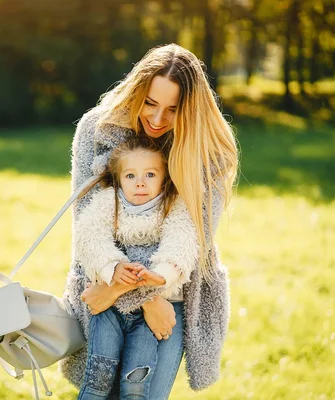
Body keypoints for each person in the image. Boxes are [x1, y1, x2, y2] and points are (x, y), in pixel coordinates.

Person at [59, 43, 239, 399]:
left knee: (142, 394)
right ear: (138, 90)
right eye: (151, 104)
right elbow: (88, 224)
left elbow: (191, 239)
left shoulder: (210, 152)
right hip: (103, 283)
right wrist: (133, 293)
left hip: (168, 299)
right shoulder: (97, 129)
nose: (157, 120)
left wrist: (145, 295)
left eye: (173, 110)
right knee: (98, 390)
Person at [75, 136, 199, 399]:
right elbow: (88, 234)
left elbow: (183, 241)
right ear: (119, 180)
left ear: (165, 178)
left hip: (149, 314)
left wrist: (161, 275)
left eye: (150, 174)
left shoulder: (172, 205)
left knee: (135, 384)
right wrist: (111, 266)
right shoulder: (111, 202)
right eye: (130, 175)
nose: (140, 182)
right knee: (98, 378)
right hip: (110, 308)